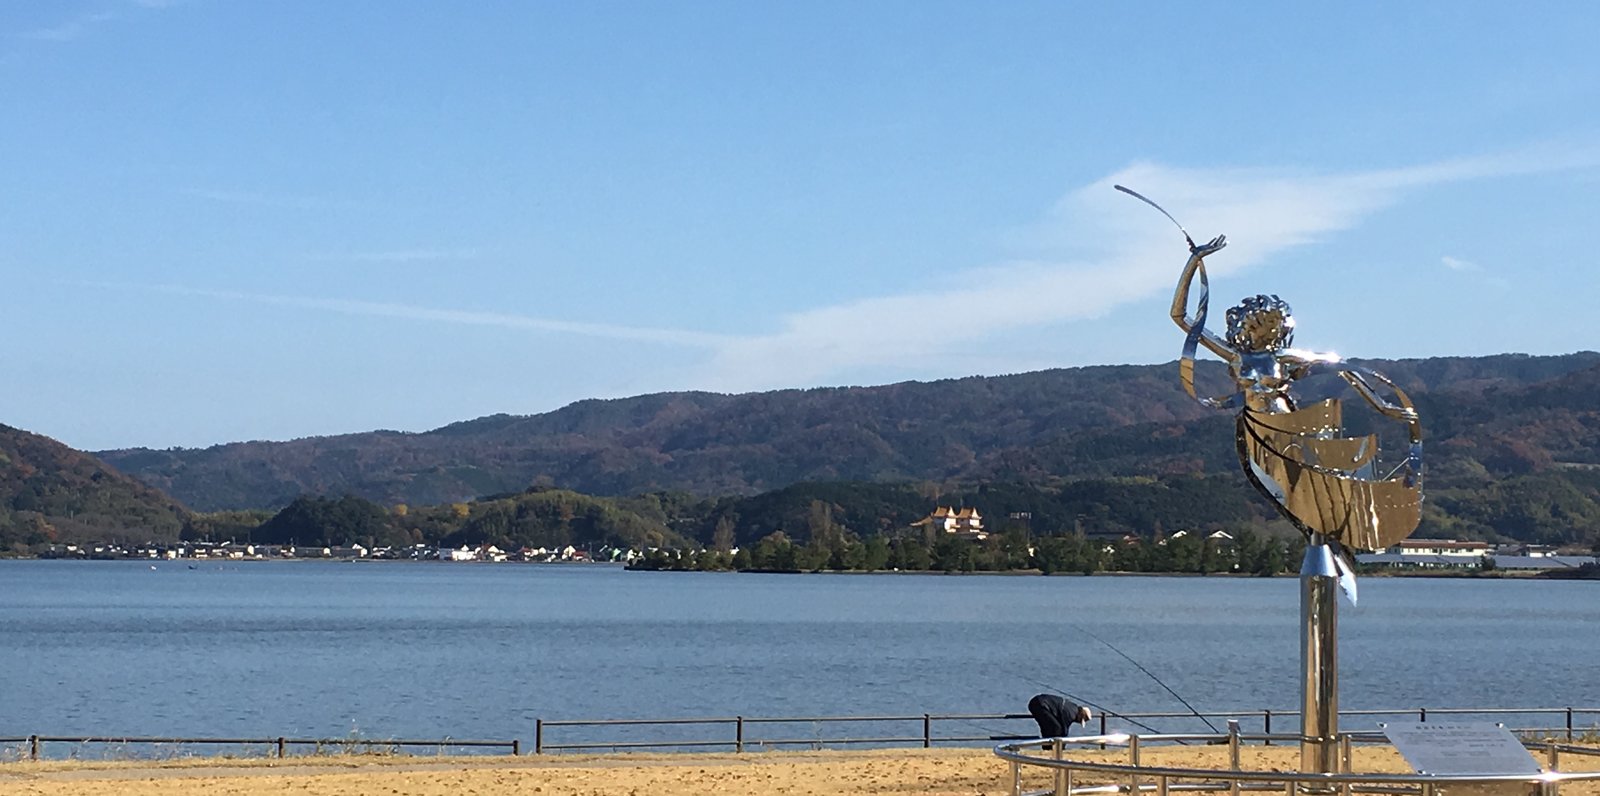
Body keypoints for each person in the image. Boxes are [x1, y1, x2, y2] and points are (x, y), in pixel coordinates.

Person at [1028, 693, 1092, 738]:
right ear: (1080, 714)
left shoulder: (1073, 708)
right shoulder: (1072, 714)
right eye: (1080, 720)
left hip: (1039, 703)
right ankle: (1051, 747)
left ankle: (1048, 747)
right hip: (1040, 705)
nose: (1078, 722)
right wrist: (1063, 743)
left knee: (1050, 727)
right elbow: (1064, 729)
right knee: (1056, 728)